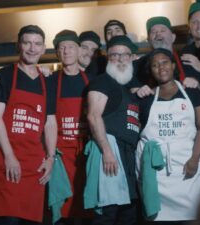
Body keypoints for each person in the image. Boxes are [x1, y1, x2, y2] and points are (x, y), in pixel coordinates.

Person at [0, 25, 57, 225]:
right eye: (27, 43)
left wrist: (51, 158)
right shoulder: (2, 76)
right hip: (4, 162)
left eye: (37, 44)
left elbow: (50, 122)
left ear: (43, 49)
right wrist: (9, 156)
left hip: (33, 166)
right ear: (18, 46)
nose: (32, 49)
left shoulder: (48, 82)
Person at [136, 48, 200, 224]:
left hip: (186, 168)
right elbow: (138, 131)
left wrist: (194, 159)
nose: (160, 68)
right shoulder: (146, 98)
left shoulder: (191, 93)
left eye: (164, 62)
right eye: (155, 65)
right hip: (156, 173)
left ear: (173, 65)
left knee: (192, 217)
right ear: (151, 71)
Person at [85, 35, 140, 225]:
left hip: (128, 154)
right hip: (110, 152)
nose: (119, 59)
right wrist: (107, 151)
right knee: (107, 213)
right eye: (114, 55)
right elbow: (93, 116)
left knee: (128, 212)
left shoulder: (129, 86)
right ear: (108, 58)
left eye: (124, 55)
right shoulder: (103, 82)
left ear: (132, 57)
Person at [50, 29, 93, 225]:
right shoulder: (49, 82)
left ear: (79, 50)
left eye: (71, 47)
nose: (66, 51)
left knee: (87, 209)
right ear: (57, 53)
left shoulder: (92, 82)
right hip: (59, 157)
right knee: (61, 210)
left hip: (86, 155)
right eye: (62, 48)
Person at [136, 16, 200, 98]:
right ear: (149, 40)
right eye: (153, 32)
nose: (158, 34)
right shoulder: (140, 65)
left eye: (162, 30)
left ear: (173, 37)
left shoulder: (187, 60)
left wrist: (195, 84)